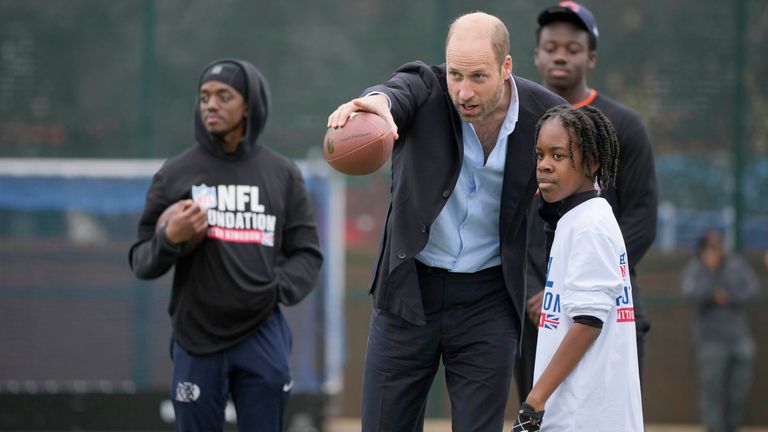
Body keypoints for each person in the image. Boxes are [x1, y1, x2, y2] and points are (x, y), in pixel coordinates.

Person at [326, 12, 565, 432]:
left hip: (489, 300)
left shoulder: (548, 115)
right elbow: (395, 92)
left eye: (478, 76)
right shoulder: (427, 88)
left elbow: (572, 204)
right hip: (409, 292)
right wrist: (377, 105)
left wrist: (548, 278)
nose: (464, 91)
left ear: (506, 67)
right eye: (455, 74)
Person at [128, 59, 323, 432]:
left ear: (248, 104)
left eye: (223, 96)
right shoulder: (176, 173)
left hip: (261, 332)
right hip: (196, 335)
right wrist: (169, 239)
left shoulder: (282, 174)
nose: (210, 105)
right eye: (204, 97)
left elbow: (307, 254)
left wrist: (271, 288)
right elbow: (141, 259)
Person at [515, 0, 658, 402]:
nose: (560, 55)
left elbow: (642, 219)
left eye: (573, 48)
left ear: (591, 57)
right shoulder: (519, 124)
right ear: (537, 54)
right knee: (538, 416)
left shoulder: (623, 126)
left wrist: (574, 284)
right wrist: (532, 290)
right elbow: (509, 219)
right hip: (535, 312)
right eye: (551, 46)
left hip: (607, 310)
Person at [512, 104, 643, 431]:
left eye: (558, 156)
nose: (544, 166)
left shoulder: (589, 225)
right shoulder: (578, 219)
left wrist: (534, 400)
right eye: (540, 155)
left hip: (584, 417)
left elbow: (588, 322)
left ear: (592, 162)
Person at [682, 230, 758, 432]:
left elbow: (752, 289)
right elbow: (690, 293)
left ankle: (732, 428)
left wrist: (729, 296)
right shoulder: (696, 269)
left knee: (737, 392)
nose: (718, 250)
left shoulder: (736, 265)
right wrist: (711, 285)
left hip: (739, 339)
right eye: (712, 247)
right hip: (711, 342)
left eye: (720, 245)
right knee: (712, 392)